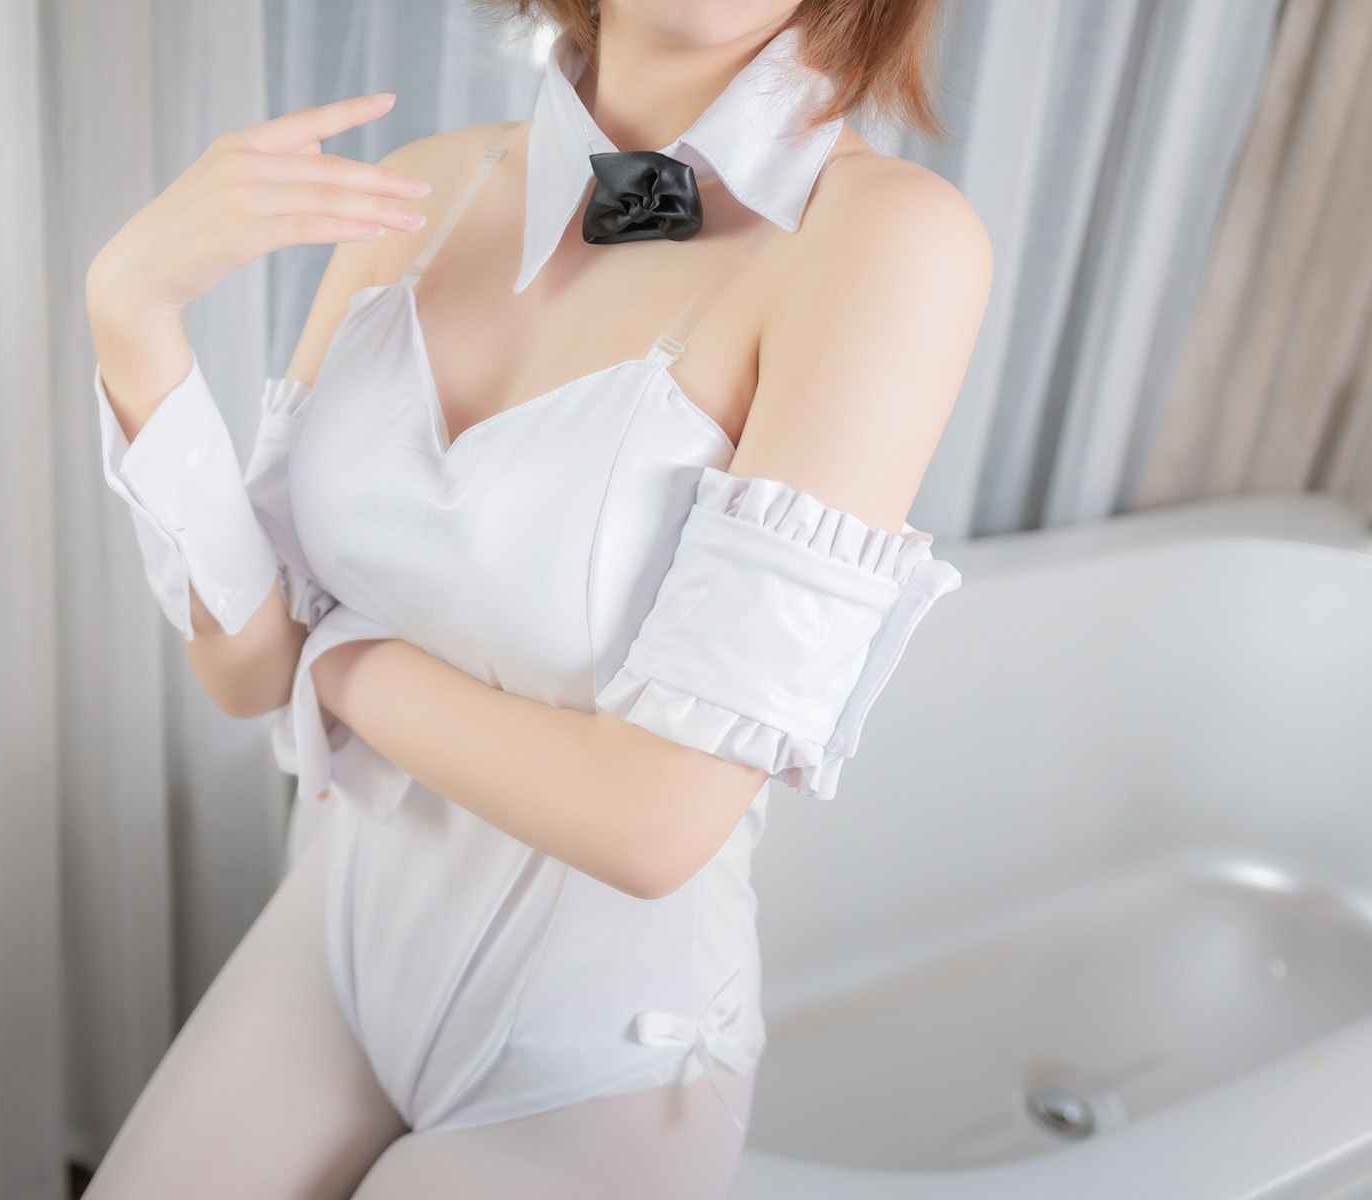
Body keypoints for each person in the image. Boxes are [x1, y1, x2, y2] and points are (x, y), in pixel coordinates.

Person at [81, 0, 991, 1195]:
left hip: (598, 1064)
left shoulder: (883, 240)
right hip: (333, 945)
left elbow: (652, 825)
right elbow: (249, 670)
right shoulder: (424, 190)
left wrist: (345, 663)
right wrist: (133, 318)